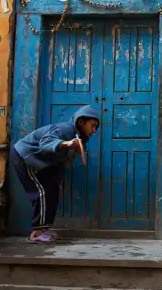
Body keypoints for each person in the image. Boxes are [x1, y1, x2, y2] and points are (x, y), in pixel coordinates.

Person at [11, 105, 100, 244]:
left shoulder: (79, 141)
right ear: (81, 121)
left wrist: (56, 179)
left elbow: (61, 162)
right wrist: (66, 143)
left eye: (96, 128)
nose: (94, 130)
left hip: (41, 162)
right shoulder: (65, 129)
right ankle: (37, 233)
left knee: (52, 190)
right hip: (24, 156)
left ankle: (45, 229)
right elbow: (45, 142)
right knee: (40, 192)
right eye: (93, 126)